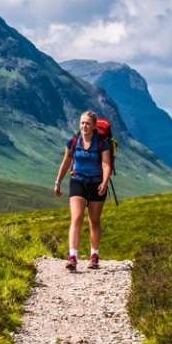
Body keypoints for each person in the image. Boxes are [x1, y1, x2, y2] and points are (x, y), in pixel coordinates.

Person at [53, 110, 113, 271]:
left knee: (94, 221)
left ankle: (94, 255)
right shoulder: (73, 141)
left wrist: (105, 182)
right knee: (77, 218)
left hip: (97, 184)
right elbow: (66, 162)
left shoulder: (102, 143)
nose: (84, 126)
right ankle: (73, 256)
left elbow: (106, 164)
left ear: (94, 126)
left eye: (87, 123)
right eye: (82, 123)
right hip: (78, 181)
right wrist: (58, 182)